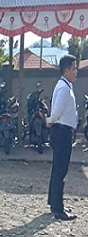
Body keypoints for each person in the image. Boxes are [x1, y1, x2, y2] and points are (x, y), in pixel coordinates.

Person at [47, 54, 78, 221]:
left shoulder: (65, 85)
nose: (76, 72)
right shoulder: (64, 88)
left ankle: (54, 202)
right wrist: (50, 121)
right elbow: (57, 111)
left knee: (57, 168)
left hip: (62, 131)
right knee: (60, 170)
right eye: (74, 68)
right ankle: (58, 209)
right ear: (66, 70)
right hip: (62, 132)